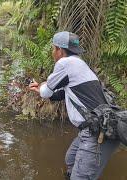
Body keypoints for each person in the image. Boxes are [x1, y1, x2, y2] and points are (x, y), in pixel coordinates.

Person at [28, 31, 120, 179]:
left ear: (59, 50)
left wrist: (41, 87)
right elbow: (62, 94)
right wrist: (41, 89)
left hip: (96, 132)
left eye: (53, 49)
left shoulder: (65, 63)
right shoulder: (81, 65)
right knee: (70, 159)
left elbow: (46, 92)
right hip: (103, 125)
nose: (53, 52)